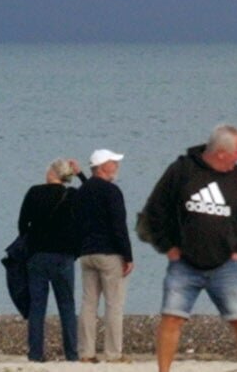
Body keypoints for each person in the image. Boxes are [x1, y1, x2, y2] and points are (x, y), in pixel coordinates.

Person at [136, 125, 237, 372]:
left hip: (226, 265)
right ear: (222, 153)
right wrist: (167, 246)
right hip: (184, 264)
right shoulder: (182, 170)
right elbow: (155, 210)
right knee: (171, 318)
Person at [18, 160, 84, 364]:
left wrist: (29, 246)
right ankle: (71, 354)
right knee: (67, 305)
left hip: (37, 255)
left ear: (53, 172)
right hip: (63, 256)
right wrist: (81, 174)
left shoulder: (34, 192)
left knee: (37, 307)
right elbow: (90, 195)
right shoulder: (72, 195)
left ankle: (35, 353)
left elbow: (22, 223)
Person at [75, 148, 136, 361]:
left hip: (87, 252)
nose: (116, 166)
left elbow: (80, 216)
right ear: (102, 167)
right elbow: (119, 226)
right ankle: (112, 353)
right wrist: (127, 256)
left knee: (88, 304)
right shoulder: (112, 191)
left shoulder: (82, 192)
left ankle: (86, 352)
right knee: (114, 304)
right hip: (109, 253)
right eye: (113, 163)